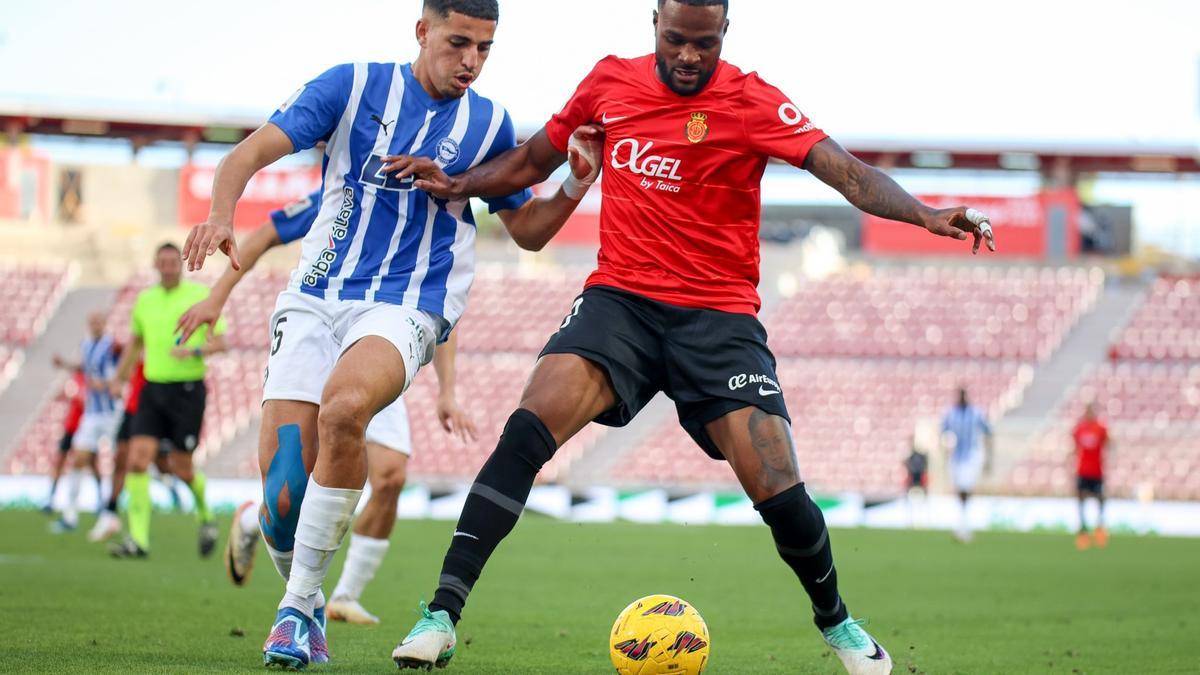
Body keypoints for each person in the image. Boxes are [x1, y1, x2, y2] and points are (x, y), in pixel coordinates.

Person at [382, 1, 995, 672]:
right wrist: (462, 182)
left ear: (724, 34)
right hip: (621, 301)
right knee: (529, 424)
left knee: (777, 479)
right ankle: (440, 614)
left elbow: (845, 172)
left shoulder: (752, 99)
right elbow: (531, 160)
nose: (687, 56)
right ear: (654, 24)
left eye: (703, 44)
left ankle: (840, 623)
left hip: (719, 316)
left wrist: (927, 215)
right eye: (675, 39)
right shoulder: (609, 83)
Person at [180, 0, 598, 666]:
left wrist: (576, 181)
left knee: (348, 406)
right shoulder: (349, 86)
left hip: (410, 303)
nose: (471, 61)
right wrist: (220, 215)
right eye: (459, 42)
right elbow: (247, 154)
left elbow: (529, 231)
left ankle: (294, 610)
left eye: (485, 49)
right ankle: (310, 601)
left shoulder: (490, 123)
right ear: (422, 30)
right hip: (315, 297)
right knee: (284, 498)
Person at [177, 191, 478, 626]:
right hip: (321, 339)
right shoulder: (341, 189)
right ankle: (258, 529)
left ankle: (343, 596)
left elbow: (441, 315)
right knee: (288, 496)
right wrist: (217, 296)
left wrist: (446, 391)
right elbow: (265, 234)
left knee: (391, 476)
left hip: (377, 345)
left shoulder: (429, 206)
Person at [108, 243, 228, 558]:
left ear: (182, 265)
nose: (168, 267)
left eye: (173, 262)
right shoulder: (145, 300)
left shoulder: (199, 298)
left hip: (187, 391)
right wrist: (119, 378)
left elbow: (223, 343)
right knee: (136, 460)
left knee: (182, 469)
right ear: (155, 265)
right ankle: (138, 540)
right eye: (162, 262)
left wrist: (195, 351)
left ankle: (206, 516)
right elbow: (136, 341)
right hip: (152, 389)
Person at [48, 312, 118, 533]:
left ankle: (111, 510)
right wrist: (65, 364)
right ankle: (70, 514)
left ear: (105, 323)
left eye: (99, 321)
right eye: (93, 321)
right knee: (78, 459)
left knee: (123, 462)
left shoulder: (114, 346)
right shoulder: (86, 345)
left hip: (114, 412)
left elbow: (124, 373)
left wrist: (107, 385)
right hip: (93, 413)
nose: (96, 325)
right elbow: (85, 368)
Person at [941, 387, 994, 543]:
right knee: (959, 490)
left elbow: (988, 432)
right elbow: (943, 433)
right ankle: (962, 524)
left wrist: (988, 459)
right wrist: (945, 452)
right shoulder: (950, 414)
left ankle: (963, 526)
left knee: (965, 489)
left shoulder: (976, 413)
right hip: (955, 457)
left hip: (971, 456)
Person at [42, 367, 86, 515]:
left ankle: (100, 501)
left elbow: (84, 400)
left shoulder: (91, 379)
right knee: (60, 461)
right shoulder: (76, 377)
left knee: (88, 463)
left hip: (84, 428)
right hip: (71, 427)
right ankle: (51, 497)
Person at [1071, 403, 1110, 550]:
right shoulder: (1080, 428)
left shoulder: (1100, 428)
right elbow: (1075, 447)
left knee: (1100, 498)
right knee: (1081, 498)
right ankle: (1083, 529)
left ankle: (1099, 526)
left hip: (1097, 471)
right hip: (1082, 470)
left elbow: (1108, 443)